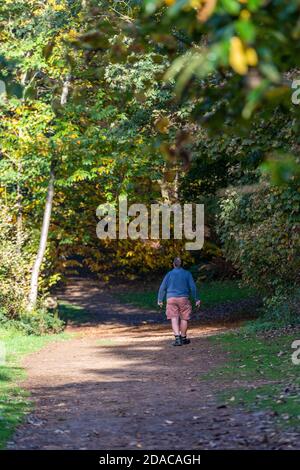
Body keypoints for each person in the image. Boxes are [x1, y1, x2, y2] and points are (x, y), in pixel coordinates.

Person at [157, 257, 201, 346]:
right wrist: (196, 298)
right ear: (182, 264)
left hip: (171, 299)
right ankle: (183, 338)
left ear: (173, 264)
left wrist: (160, 299)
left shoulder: (169, 274)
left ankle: (177, 339)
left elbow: (162, 287)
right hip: (183, 298)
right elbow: (193, 287)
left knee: (174, 318)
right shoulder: (187, 274)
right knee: (184, 318)